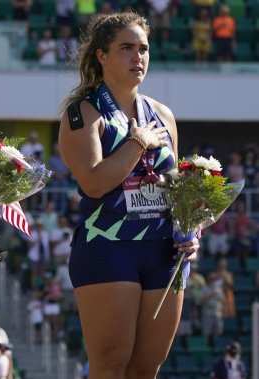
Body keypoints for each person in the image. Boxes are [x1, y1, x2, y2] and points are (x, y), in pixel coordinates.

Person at [57, 12, 200, 378]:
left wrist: (192, 229)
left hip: (164, 250)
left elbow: (176, 187)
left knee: (146, 368)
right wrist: (137, 143)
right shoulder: (85, 112)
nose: (138, 57)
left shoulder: (162, 114)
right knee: (109, 366)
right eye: (127, 48)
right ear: (102, 55)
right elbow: (93, 182)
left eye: (144, 49)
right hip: (108, 247)